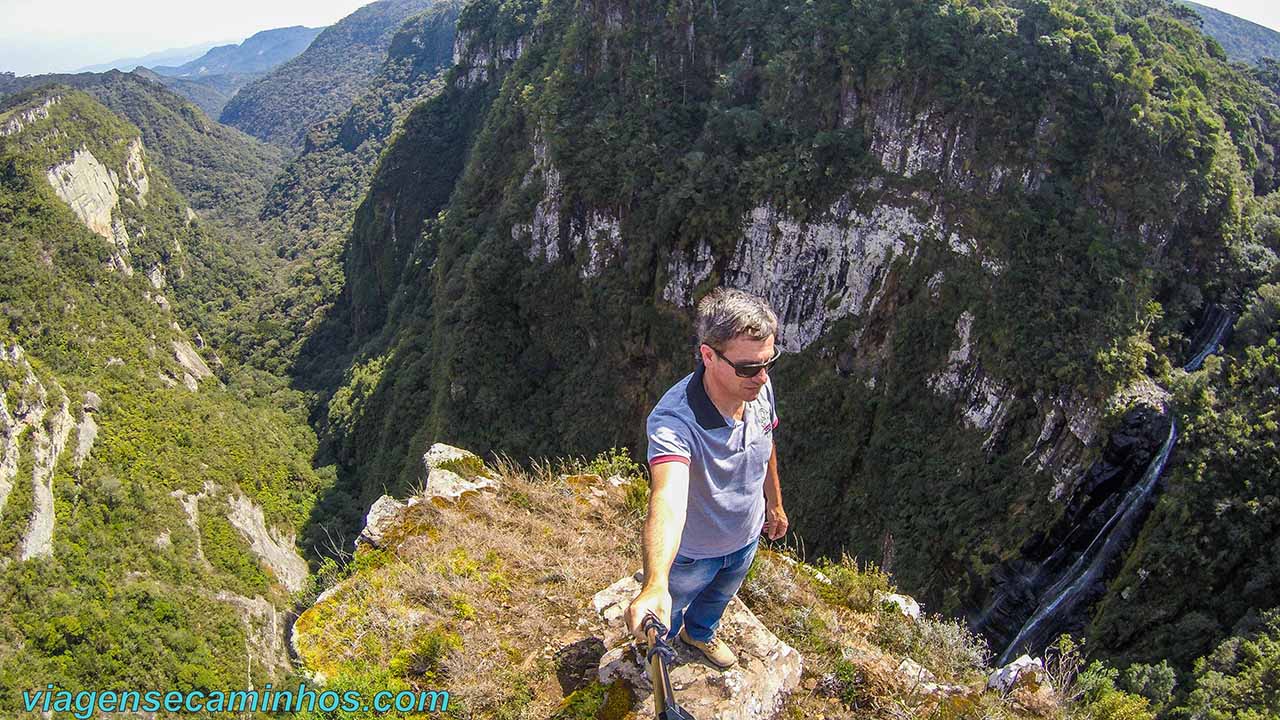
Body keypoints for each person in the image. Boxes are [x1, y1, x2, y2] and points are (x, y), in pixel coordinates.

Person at [623, 287, 788, 669]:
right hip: (693, 552)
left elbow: (767, 440)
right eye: (748, 368)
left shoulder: (757, 387)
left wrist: (774, 504)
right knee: (670, 608)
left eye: (769, 363)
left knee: (717, 600)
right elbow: (667, 497)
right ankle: (654, 653)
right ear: (708, 355)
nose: (762, 378)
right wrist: (654, 583)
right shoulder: (675, 422)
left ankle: (699, 633)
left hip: (746, 537)